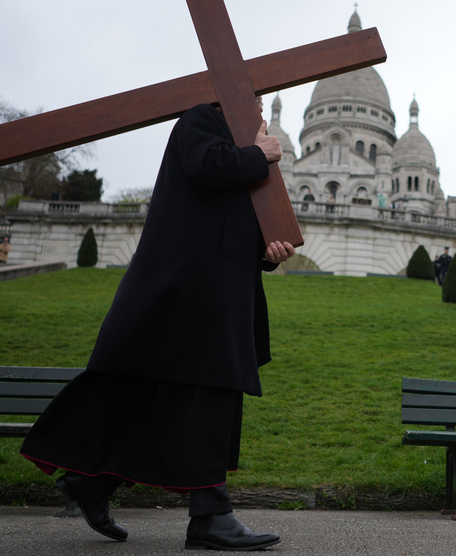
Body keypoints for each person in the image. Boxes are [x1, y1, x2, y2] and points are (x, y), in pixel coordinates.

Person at [20, 100, 295, 551]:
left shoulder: (243, 143)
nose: (260, 104)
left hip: (211, 288)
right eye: (254, 94)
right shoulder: (203, 121)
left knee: (157, 392)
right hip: (189, 287)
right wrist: (257, 154)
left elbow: (226, 216)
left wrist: (266, 253)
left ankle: (94, 484)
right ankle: (210, 516)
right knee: (207, 391)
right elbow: (204, 168)